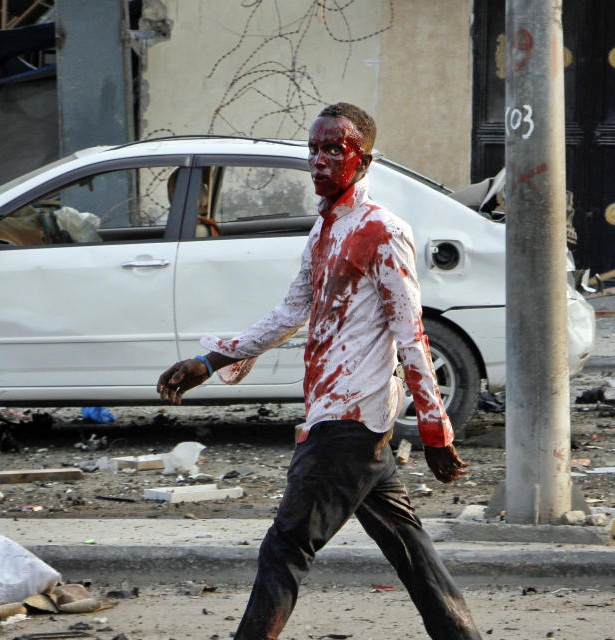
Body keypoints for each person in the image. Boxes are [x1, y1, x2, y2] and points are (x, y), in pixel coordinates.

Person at [157, 102, 482, 640]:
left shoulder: (381, 231)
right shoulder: (323, 232)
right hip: (354, 427)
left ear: (363, 161)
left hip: (349, 425)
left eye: (335, 149)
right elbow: (290, 313)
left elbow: (412, 334)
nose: (320, 160)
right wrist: (212, 360)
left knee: (284, 551)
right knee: (413, 554)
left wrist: (435, 430)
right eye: (314, 149)